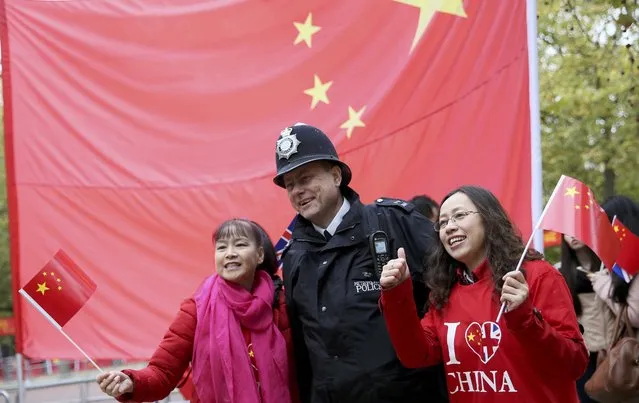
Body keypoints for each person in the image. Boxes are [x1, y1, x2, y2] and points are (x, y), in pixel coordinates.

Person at [273, 124, 448, 403]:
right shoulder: (294, 256)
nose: (298, 191)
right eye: (290, 184)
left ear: (335, 175)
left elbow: (453, 291)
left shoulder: (395, 222)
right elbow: (304, 353)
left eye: (305, 178)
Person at [380, 185, 588, 402]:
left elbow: (574, 364)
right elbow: (415, 355)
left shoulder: (537, 275)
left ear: (489, 219)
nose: (449, 227)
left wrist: (525, 318)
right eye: (442, 223)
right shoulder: (444, 291)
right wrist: (396, 294)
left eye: (459, 216)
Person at [96, 219, 298, 403]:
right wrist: (131, 382)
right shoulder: (196, 309)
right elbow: (163, 372)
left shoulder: (283, 303)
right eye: (221, 247)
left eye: (241, 245)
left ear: (260, 254)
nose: (230, 253)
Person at [557, 232, 614, 402]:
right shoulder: (560, 272)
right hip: (586, 353)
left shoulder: (609, 267)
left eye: (576, 232)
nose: (572, 237)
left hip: (614, 349)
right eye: (566, 234)